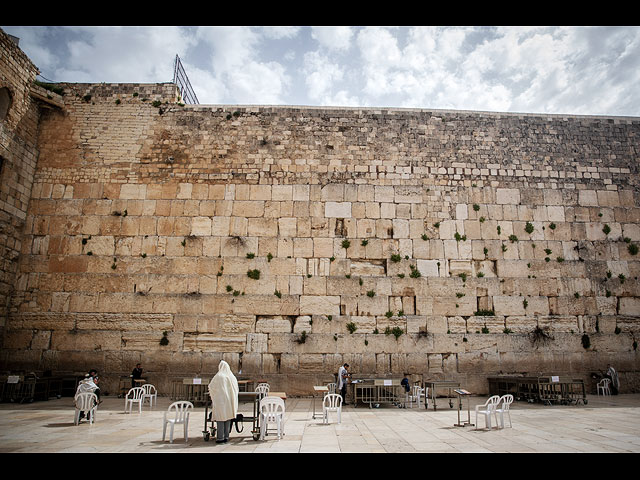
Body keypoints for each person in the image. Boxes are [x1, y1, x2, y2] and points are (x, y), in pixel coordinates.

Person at [208, 360, 239, 444]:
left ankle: (220, 437)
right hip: (230, 401)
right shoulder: (232, 376)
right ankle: (226, 436)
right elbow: (236, 389)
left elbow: (211, 387)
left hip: (220, 401)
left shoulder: (218, 376)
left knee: (220, 418)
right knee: (228, 418)